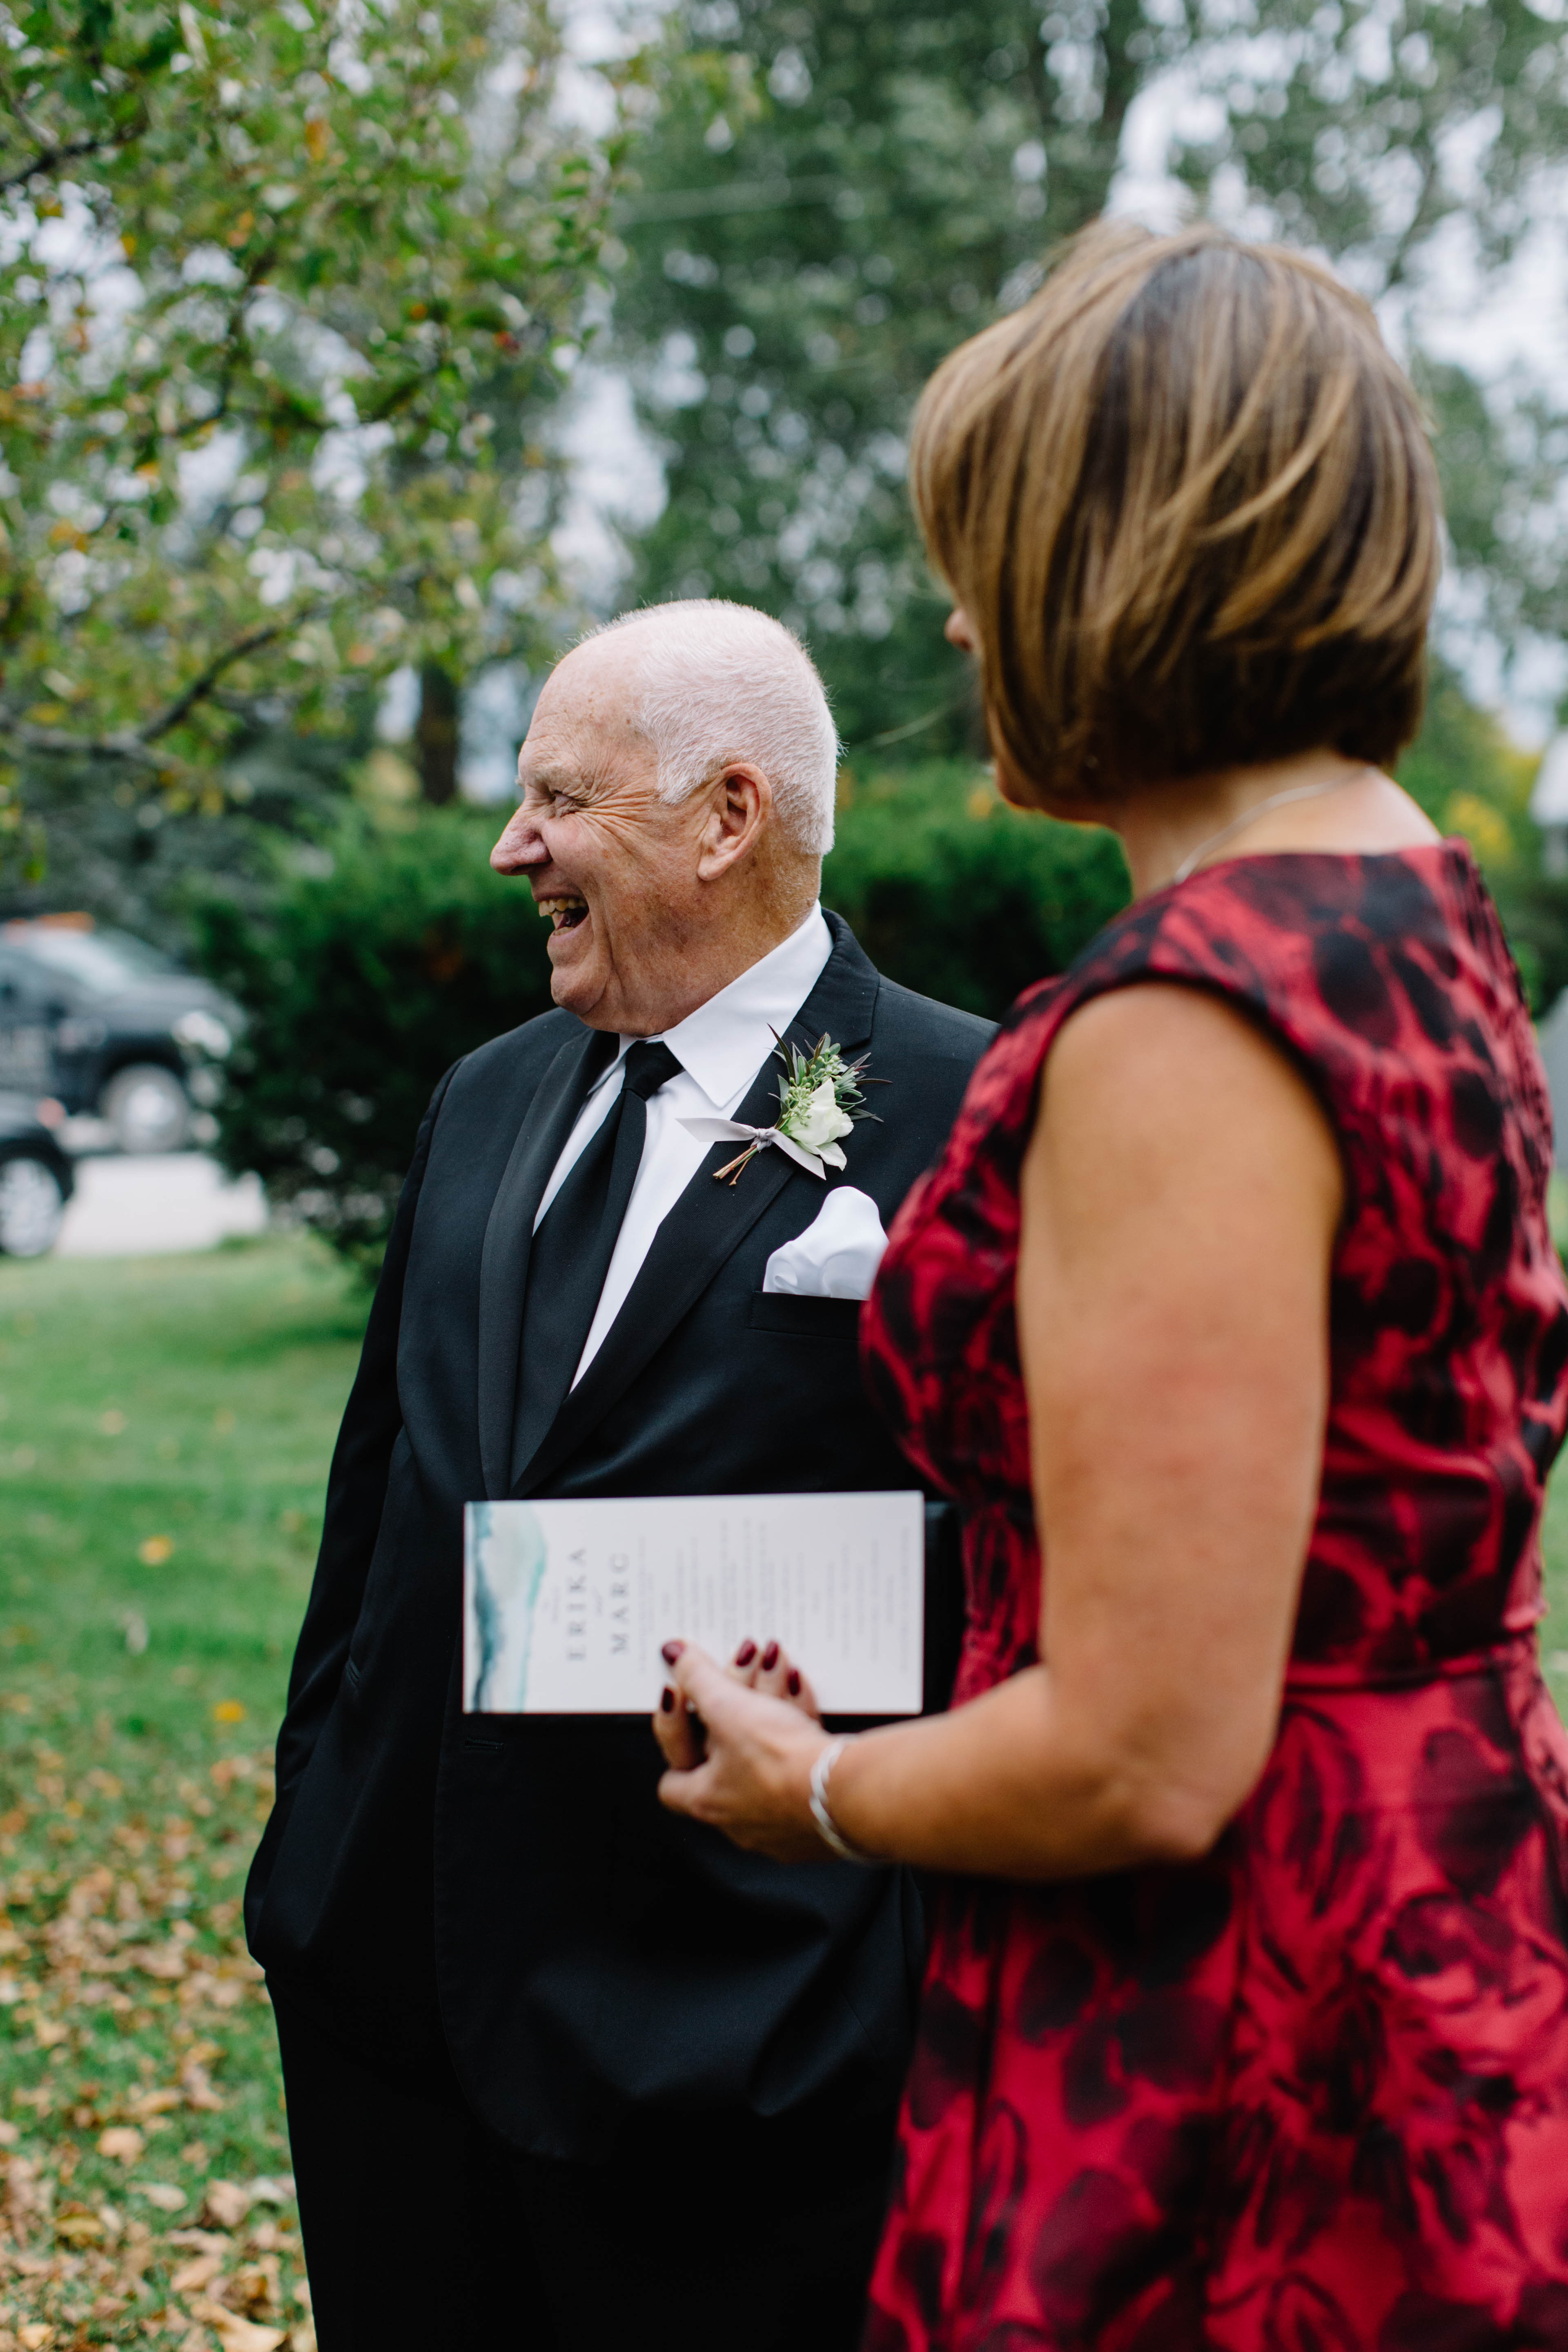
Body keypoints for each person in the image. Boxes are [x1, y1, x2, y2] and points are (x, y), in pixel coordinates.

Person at [653, 224, 1568, 2348]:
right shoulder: (1415, 896)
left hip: (1231, 2017)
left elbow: (1150, 1749)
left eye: (988, 552)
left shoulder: (1194, 1016)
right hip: (1432, 1915)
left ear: (1113, 557)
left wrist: (820, 1790)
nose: (962, 618)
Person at [245, 598, 994, 2352]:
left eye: (558, 802)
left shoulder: (971, 1110)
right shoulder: (486, 1096)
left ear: (725, 817)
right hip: (388, 2009)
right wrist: (309, 1845)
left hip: (737, 2035)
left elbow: (1013, 1568)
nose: (515, 849)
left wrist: (871, 1975)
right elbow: (382, 1495)